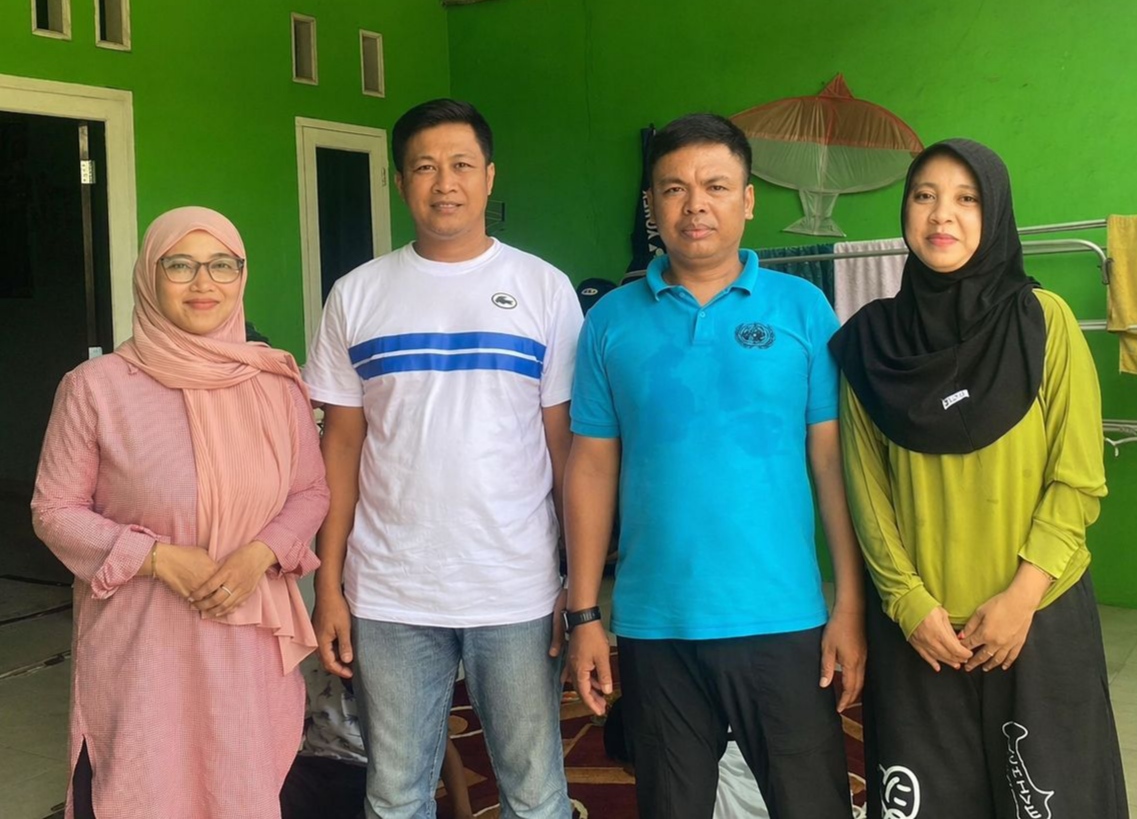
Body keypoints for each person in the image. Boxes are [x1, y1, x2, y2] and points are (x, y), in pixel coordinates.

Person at [564, 113, 865, 819]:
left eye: (715, 186)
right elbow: (591, 469)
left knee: (811, 804)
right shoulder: (609, 321)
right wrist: (584, 613)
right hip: (656, 625)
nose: (694, 204)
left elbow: (831, 464)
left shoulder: (803, 308)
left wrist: (850, 604)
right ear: (652, 204)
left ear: (748, 199)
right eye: (673, 188)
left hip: (783, 617)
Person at [829, 139, 1128, 818]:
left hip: (1037, 620)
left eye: (967, 199)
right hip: (920, 635)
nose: (942, 214)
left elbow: (1078, 477)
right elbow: (866, 493)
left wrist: (1022, 596)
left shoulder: (1043, 322)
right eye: (924, 195)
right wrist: (907, 603)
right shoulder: (871, 345)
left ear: (994, 214)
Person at [304, 98, 581, 819]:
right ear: (401, 182)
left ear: (489, 176)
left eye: (461, 165)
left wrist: (577, 586)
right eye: (425, 167)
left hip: (515, 586)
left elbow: (565, 449)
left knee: (534, 792)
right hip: (388, 590)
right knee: (395, 795)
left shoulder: (544, 288)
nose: (444, 183)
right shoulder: (357, 294)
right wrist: (328, 584)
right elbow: (340, 448)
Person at [31, 206, 331, 819]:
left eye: (222, 265)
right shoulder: (95, 387)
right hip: (143, 646)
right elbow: (54, 510)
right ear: (150, 274)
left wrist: (259, 554)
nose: (203, 283)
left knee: (239, 783)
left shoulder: (275, 383)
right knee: (144, 783)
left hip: (247, 642)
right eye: (181, 265)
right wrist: (158, 559)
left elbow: (311, 491)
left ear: (241, 275)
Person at [281, 658, 473, 819]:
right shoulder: (315, 670)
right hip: (317, 765)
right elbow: (290, 728)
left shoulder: (401, 685)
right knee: (280, 793)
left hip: (375, 775)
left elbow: (443, 749)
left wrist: (463, 813)